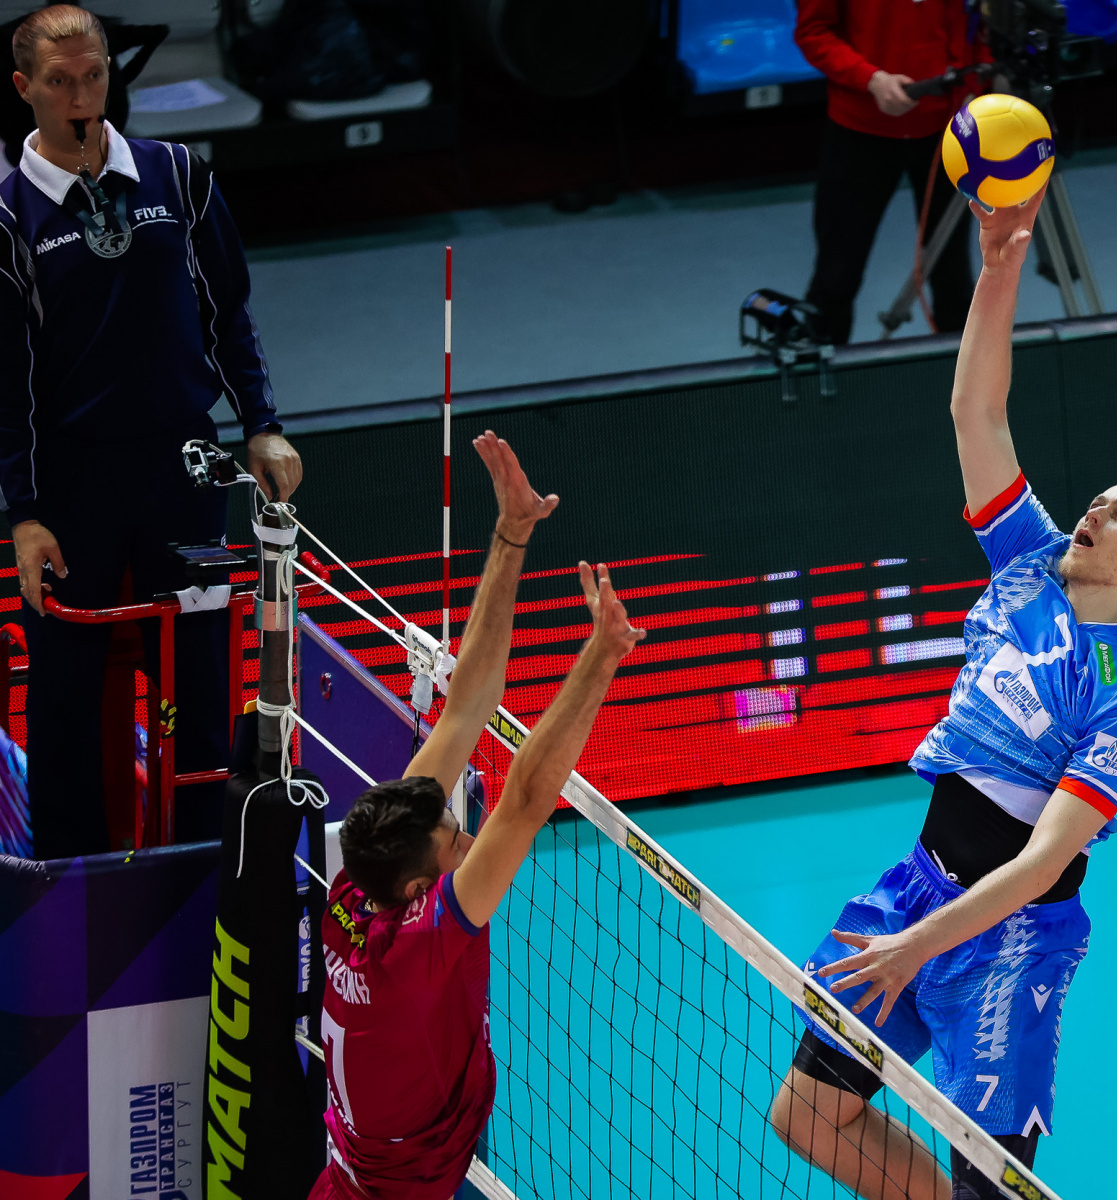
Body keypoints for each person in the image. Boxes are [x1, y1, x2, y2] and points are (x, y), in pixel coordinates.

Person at [768, 187, 1117, 1199]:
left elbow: (1044, 862)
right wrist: (998, 269)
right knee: (807, 1116)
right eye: (1098, 500)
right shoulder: (1028, 563)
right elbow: (976, 411)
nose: (1095, 511)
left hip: (1011, 940)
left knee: (992, 1181)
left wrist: (920, 949)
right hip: (919, 884)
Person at [0, 5, 302, 857]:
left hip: (183, 473)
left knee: (201, 674)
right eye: (59, 81)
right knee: (69, 689)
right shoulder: (9, 217)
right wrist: (25, 513)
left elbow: (228, 313)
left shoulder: (178, 174)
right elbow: (8, 383)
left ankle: (208, 864)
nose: (81, 96)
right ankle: (72, 877)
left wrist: (261, 424)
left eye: (94, 75)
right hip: (74, 488)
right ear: (24, 88)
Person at [311, 431, 645, 1200]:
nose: (467, 839)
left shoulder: (356, 890)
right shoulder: (417, 949)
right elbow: (525, 803)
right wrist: (600, 657)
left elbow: (466, 707)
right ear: (416, 891)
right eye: (453, 839)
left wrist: (512, 530)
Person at [794, 0, 984, 345]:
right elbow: (814, 32)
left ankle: (966, 375)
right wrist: (870, 79)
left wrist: (978, 87)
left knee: (952, 274)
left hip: (948, 126)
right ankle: (822, 372)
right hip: (859, 130)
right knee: (836, 276)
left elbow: (985, 25)